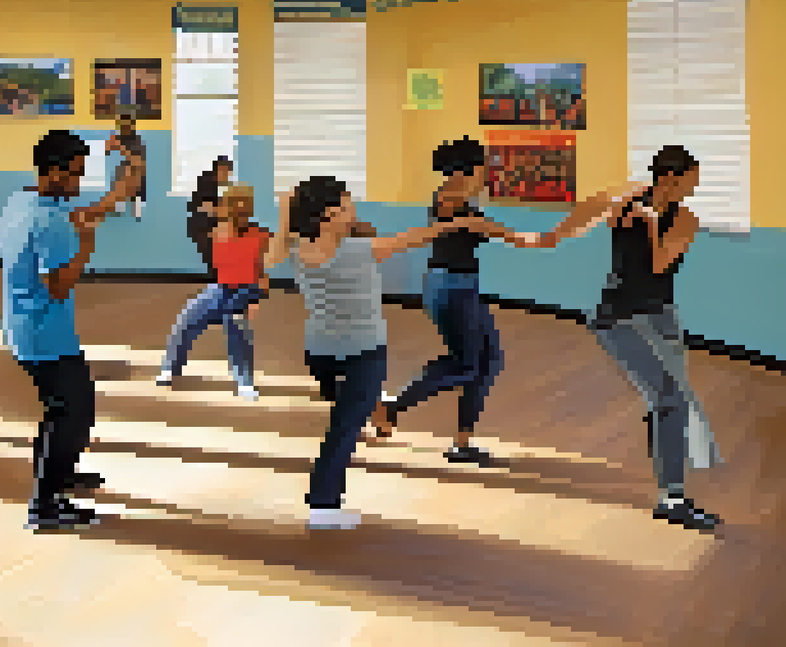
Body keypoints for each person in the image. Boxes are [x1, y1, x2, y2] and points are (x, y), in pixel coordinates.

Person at [267, 176, 488, 529]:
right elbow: (411, 239)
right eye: (346, 204)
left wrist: (283, 215)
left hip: (321, 354)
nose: (353, 209)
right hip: (362, 352)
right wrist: (457, 222)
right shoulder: (359, 249)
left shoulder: (296, 248)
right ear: (329, 214)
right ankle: (324, 508)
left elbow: (270, 258)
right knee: (344, 429)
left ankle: (373, 408)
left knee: (345, 417)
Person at [534, 146, 721, 531]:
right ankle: (672, 497)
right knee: (669, 398)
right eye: (692, 178)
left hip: (661, 317)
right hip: (617, 319)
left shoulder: (685, 219)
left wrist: (651, 222)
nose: (696, 185)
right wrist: (519, 238)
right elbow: (562, 231)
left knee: (670, 402)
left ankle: (671, 491)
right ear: (670, 178)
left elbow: (657, 265)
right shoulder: (623, 199)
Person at [0, 129, 142, 530]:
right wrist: (87, 247)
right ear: (54, 172)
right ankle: (44, 506)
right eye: (74, 175)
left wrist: (120, 184)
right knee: (73, 411)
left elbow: (85, 211)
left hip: (21, 326)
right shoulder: (49, 222)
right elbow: (60, 284)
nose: (78, 182)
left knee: (62, 408)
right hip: (45, 334)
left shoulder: (21, 201)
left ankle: (61, 473)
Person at [370, 138, 543, 465]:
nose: (487, 172)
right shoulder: (449, 196)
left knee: (489, 361)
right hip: (448, 286)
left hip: (465, 285)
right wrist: (513, 231)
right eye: (482, 166)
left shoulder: (460, 196)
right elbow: (465, 219)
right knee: (466, 364)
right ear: (468, 168)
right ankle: (391, 407)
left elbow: (477, 223)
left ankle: (462, 443)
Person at [156, 184, 270, 400]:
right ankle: (171, 367)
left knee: (237, 329)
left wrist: (254, 299)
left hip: (244, 291)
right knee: (186, 320)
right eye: (235, 203)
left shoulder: (260, 235)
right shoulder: (217, 232)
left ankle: (244, 382)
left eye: (244, 203)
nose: (240, 208)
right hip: (219, 290)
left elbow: (262, 272)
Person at [186, 157, 234, 274]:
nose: (228, 177)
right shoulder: (207, 181)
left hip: (210, 228)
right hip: (204, 228)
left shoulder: (217, 184)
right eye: (227, 173)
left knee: (216, 262)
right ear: (221, 170)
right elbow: (207, 208)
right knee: (213, 261)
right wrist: (227, 211)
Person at [106, 115, 146, 220]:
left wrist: (120, 148)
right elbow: (107, 149)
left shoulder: (136, 140)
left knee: (135, 178)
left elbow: (138, 160)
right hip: (126, 169)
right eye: (121, 125)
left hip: (136, 171)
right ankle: (120, 206)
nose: (123, 128)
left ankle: (135, 207)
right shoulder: (119, 137)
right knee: (120, 174)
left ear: (131, 126)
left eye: (126, 125)